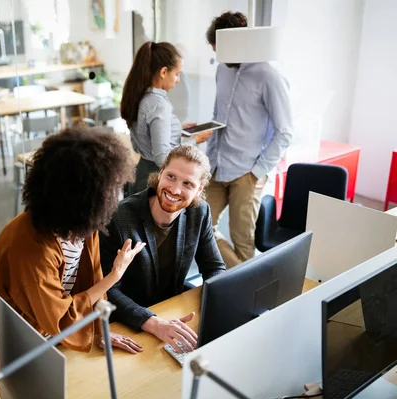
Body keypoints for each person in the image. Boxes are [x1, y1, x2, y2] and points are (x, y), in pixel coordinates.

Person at [0, 127, 147, 361]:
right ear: (82, 197)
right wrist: (114, 276)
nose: (117, 195)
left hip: (37, 330)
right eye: (111, 188)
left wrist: (99, 329)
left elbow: (88, 280)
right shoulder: (31, 249)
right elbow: (60, 318)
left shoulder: (83, 225)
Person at [99, 145, 226, 353]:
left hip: (173, 311)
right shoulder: (118, 218)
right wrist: (153, 322)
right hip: (129, 322)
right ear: (160, 173)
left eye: (187, 183)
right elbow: (107, 289)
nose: (175, 190)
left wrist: (216, 309)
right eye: (171, 177)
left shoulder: (200, 212)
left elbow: (214, 267)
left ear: (199, 189)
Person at [204, 11, 293, 268]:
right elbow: (217, 115)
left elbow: (285, 131)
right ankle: (233, 278)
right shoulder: (222, 70)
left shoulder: (269, 76)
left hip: (248, 171)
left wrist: (257, 172)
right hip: (217, 165)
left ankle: (243, 296)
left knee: (243, 241)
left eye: (221, 50)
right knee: (198, 224)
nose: (219, 57)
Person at [120, 41, 211, 194]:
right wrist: (194, 140)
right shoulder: (159, 105)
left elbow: (144, 138)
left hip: (141, 173)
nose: (178, 80)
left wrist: (177, 129)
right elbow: (162, 158)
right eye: (176, 74)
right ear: (163, 72)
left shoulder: (140, 97)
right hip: (155, 180)